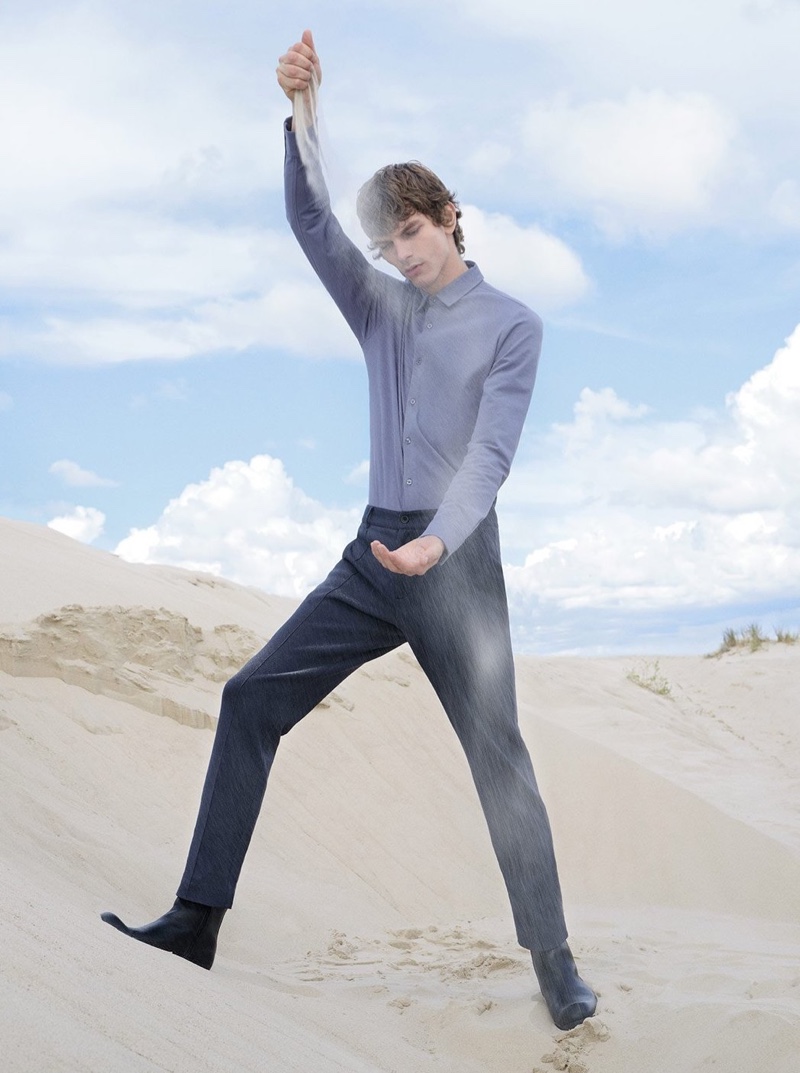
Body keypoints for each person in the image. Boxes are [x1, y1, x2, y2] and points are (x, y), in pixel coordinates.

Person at [102, 29, 597, 1033]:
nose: (402, 253)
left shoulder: (514, 325)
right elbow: (307, 217)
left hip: (455, 563)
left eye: (412, 231)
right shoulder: (380, 310)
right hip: (374, 555)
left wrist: (439, 544)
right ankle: (196, 920)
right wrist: (301, 113)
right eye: (388, 245)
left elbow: (489, 457)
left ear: (448, 216)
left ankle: (554, 959)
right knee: (250, 698)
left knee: (498, 756)